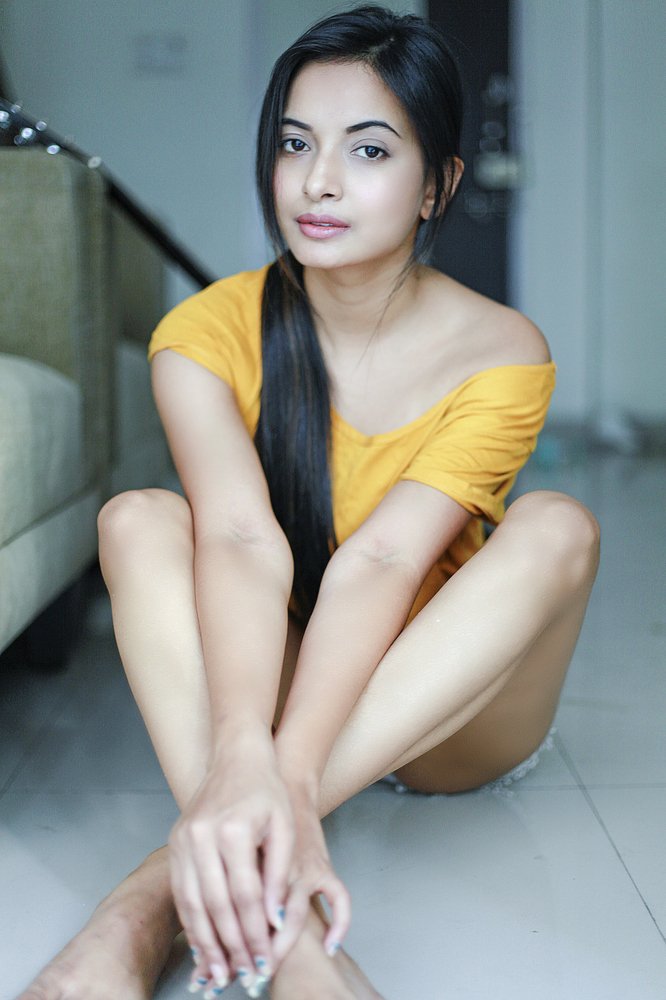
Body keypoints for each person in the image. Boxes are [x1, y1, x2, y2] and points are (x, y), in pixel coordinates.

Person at [19, 5, 600, 1000]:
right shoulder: (205, 334)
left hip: (450, 713)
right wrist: (253, 746)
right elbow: (241, 539)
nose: (318, 181)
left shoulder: (502, 349)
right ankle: (294, 945)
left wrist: (280, 780)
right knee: (137, 518)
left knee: (559, 527)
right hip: (286, 689)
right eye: (295, 144)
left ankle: (148, 904)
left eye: (368, 150)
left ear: (437, 185)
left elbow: (387, 558)